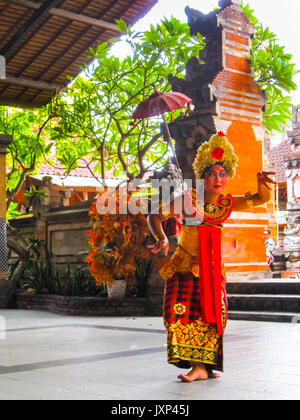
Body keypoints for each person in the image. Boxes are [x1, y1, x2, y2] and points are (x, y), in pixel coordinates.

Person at [147, 131, 276, 382]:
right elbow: (154, 215)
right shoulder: (187, 201)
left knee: (213, 316)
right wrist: (161, 237)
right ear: (202, 177)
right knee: (176, 315)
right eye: (211, 174)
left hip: (212, 270)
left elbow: (261, 199)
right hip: (184, 268)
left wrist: (262, 182)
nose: (218, 179)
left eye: (222, 174)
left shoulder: (226, 203)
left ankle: (202, 367)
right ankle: (198, 366)